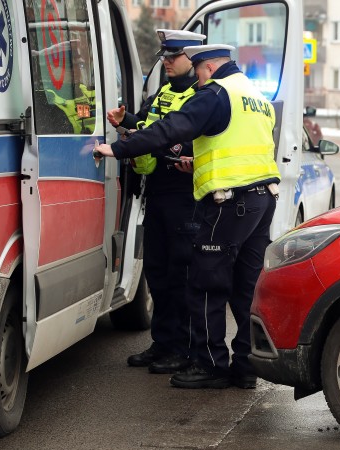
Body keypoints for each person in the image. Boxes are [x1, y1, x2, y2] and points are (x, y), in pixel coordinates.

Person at [95, 44, 281, 389]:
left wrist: (117, 148)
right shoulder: (254, 95)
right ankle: (245, 367)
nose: (196, 78)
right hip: (261, 199)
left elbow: (170, 129)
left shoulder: (214, 94)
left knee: (205, 283)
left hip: (229, 202)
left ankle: (210, 364)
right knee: (245, 288)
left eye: (198, 70)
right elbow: (244, 146)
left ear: (208, 67)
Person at [109, 29, 205, 374]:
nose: (165, 62)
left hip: (186, 195)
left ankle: (182, 348)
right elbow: (152, 128)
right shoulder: (164, 91)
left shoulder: (204, 95)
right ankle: (162, 343)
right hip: (159, 192)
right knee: (158, 272)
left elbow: (200, 139)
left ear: (192, 58)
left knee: (180, 275)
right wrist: (127, 122)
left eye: (172, 56)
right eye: (164, 56)